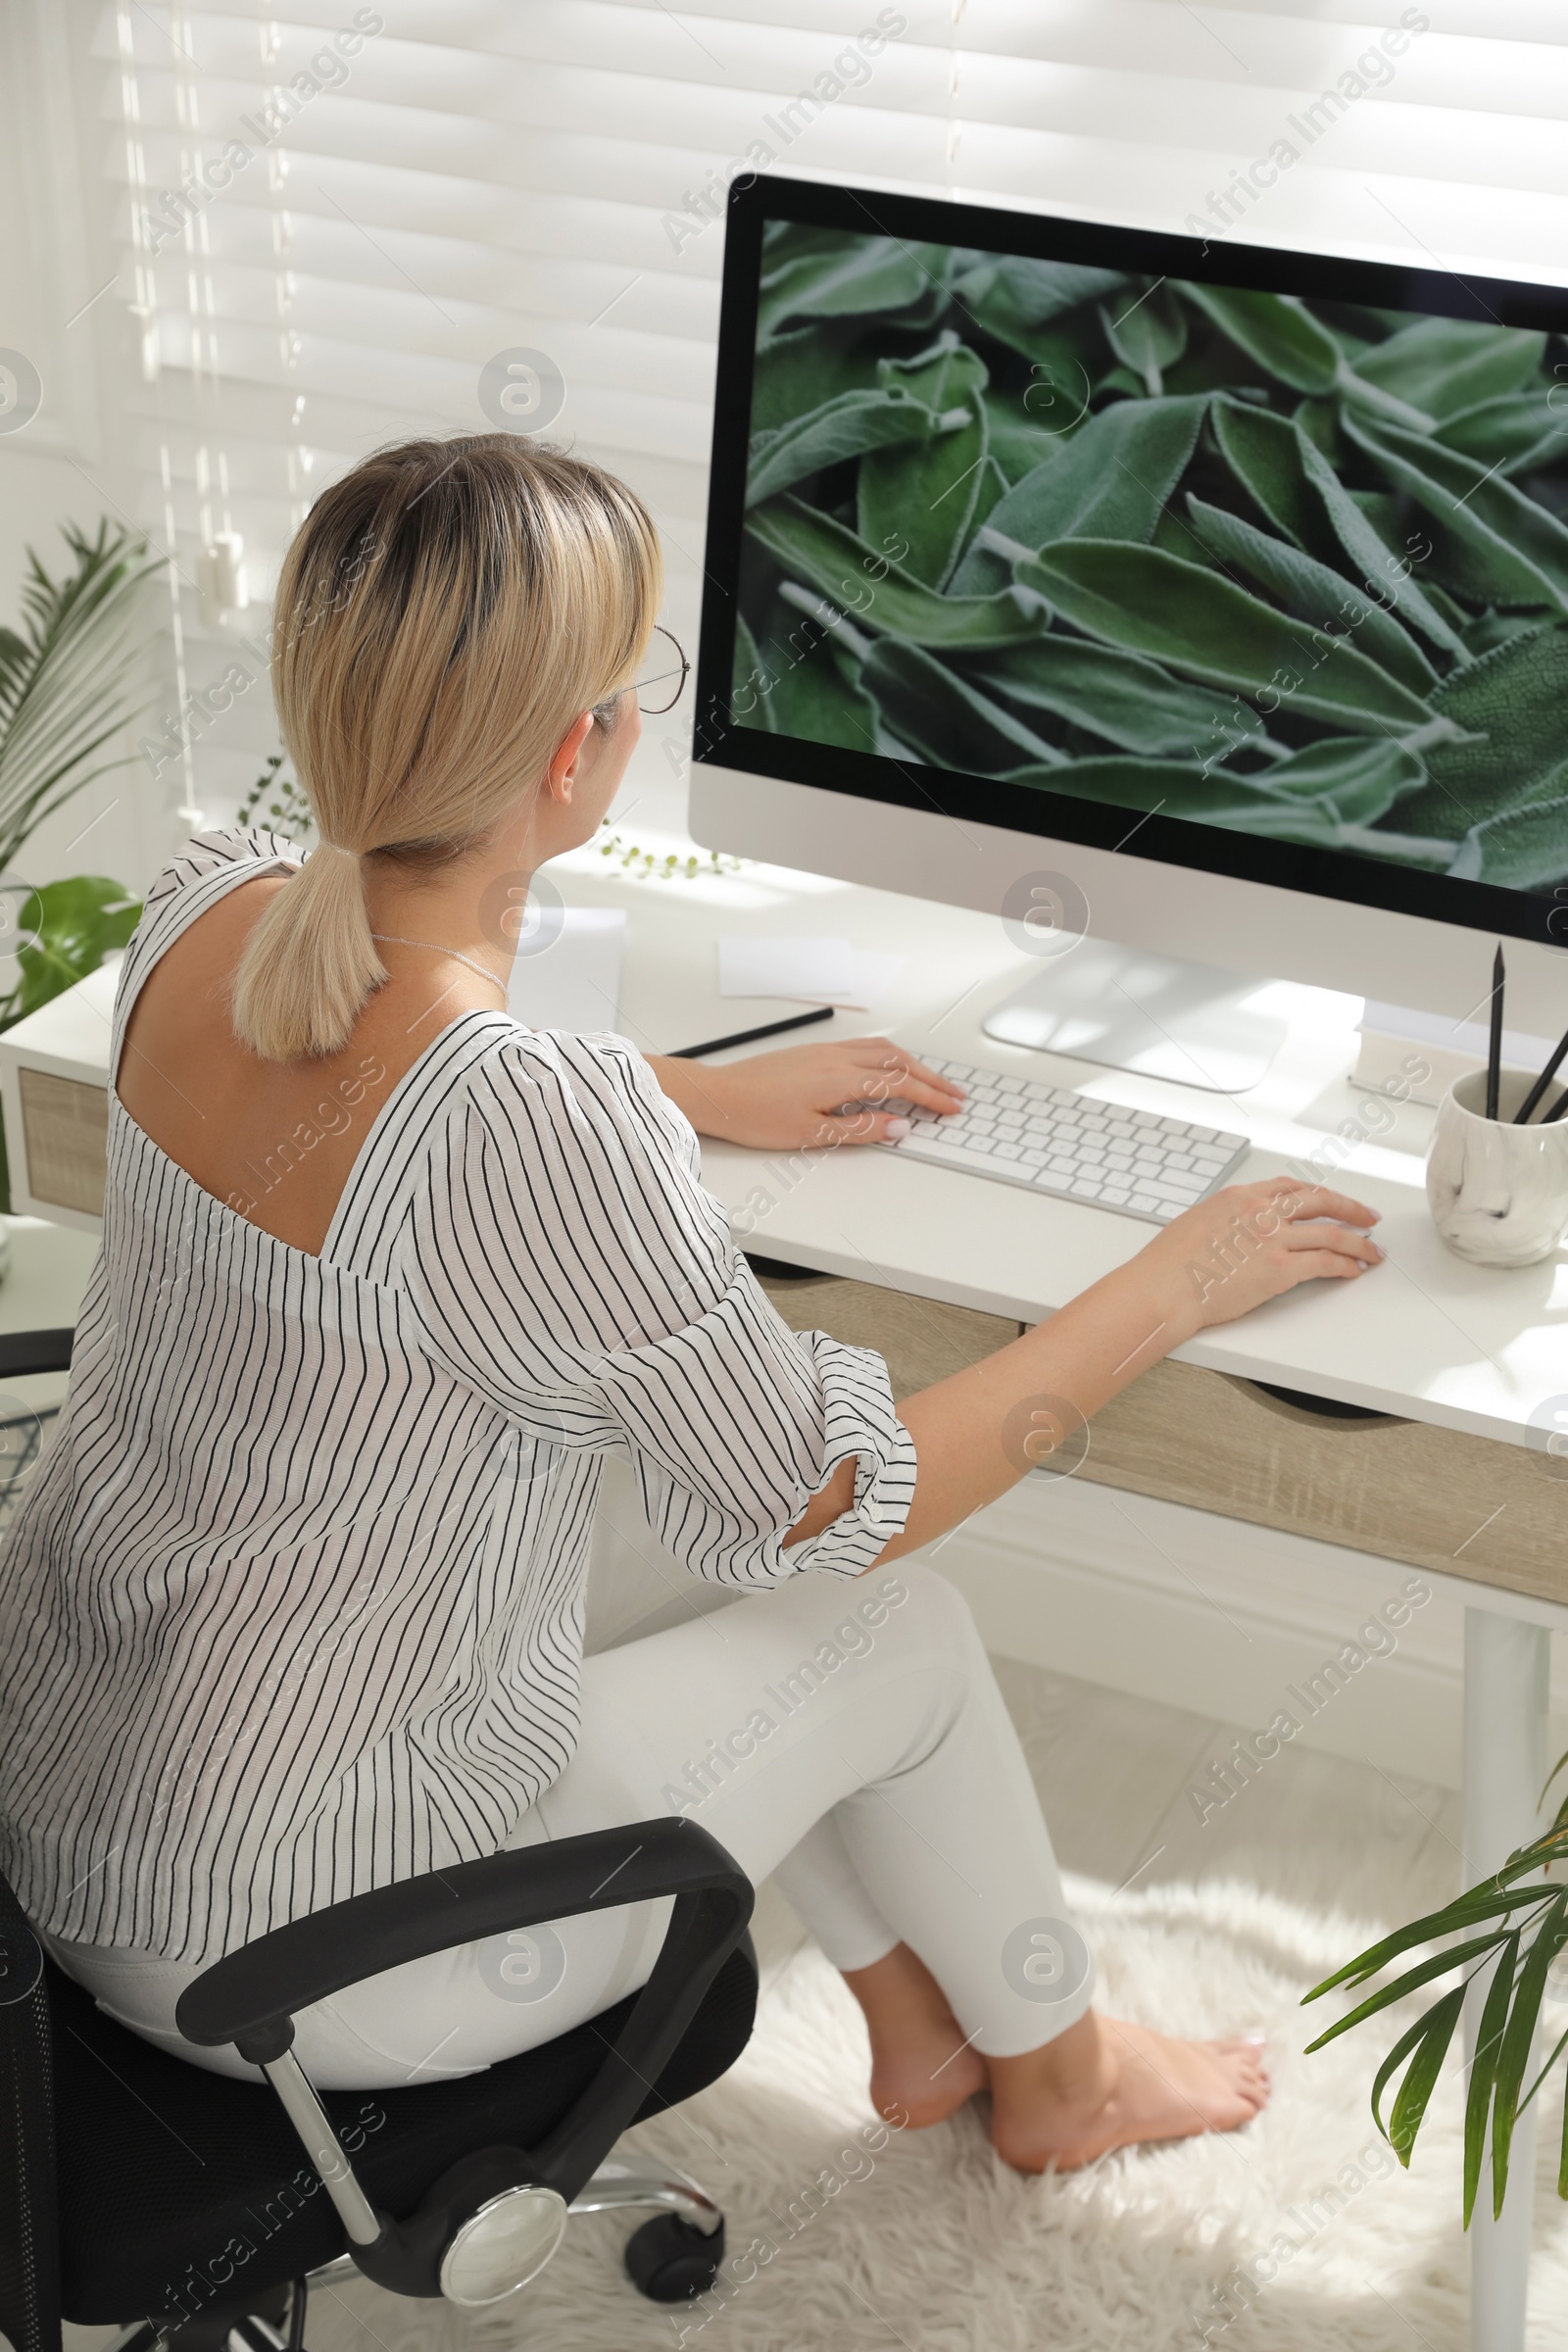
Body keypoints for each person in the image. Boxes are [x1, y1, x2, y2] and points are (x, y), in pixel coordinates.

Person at [0, 436, 1383, 2173]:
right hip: (305, 1965)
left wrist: (673, 1086)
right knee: (896, 1629)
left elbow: (362, 1082)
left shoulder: (205, 910)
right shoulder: (531, 1124)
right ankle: (1067, 2083)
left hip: (76, 1816)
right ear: (579, 752)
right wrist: (1178, 1276)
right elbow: (823, 1504)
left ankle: (911, 2021)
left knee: (668, 1523)